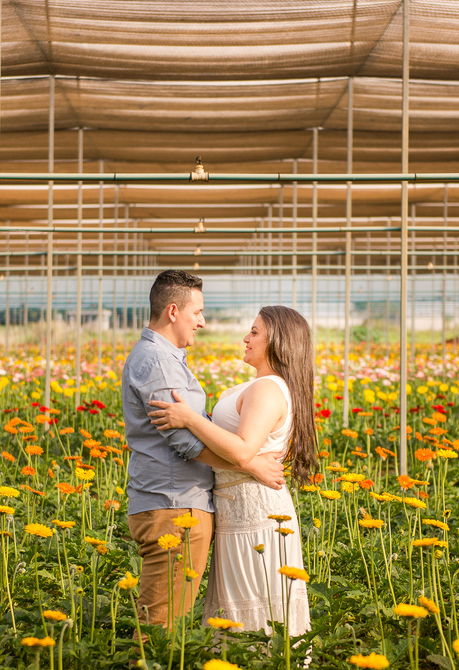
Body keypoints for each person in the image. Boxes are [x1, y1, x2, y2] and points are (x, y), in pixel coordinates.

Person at [121, 270, 285, 628]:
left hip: (177, 501)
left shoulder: (167, 358)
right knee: (162, 622)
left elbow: (189, 425)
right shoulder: (158, 362)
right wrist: (250, 464)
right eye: (198, 313)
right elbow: (184, 441)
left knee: (169, 614)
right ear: (174, 312)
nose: (203, 322)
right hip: (173, 504)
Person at [148, 305, 316, 638]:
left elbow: (241, 449)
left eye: (255, 332)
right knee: (241, 604)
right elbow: (243, 452)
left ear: (277, 341)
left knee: (257, 604)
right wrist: (249, 461)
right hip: (237, 505)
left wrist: (191, 419)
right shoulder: (258, 386)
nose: (246, 338)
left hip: (256, 512)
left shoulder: (268, 390)